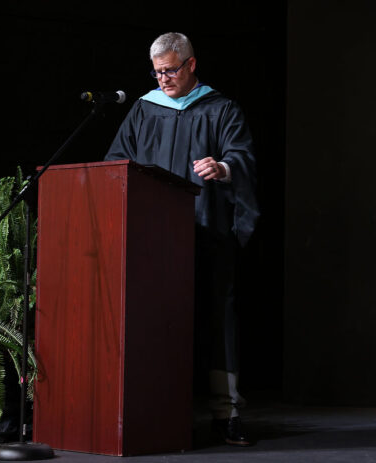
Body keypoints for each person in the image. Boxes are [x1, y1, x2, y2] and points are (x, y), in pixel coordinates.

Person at [104, 32, 259, 446]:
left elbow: (240, 156)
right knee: (154, 319)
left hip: (207, 229)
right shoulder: (144, 109)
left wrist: (222, 168)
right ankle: (158, 409)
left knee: (217, 318)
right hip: (153, 236)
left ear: (191, 64)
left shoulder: (220, 108)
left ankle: (226, 412)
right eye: (157, 72)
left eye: (170, 70)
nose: (163, 80)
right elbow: (116, 163)